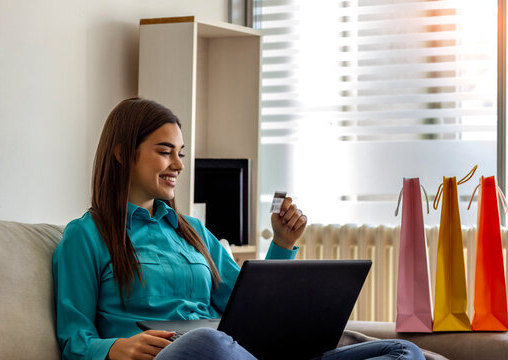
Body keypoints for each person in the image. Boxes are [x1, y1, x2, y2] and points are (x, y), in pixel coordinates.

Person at [53, 98, 425, 360]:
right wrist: (115, 348)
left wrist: (281, 243)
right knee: (206, 344)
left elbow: (256, 311)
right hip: (180, 354)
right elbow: (74, 336)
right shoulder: (86, 236)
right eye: (165, 151)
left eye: (181, 153)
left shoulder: (192, 232)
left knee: (402, 351)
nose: (179, 165)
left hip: (232, 352)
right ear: (121, 153)